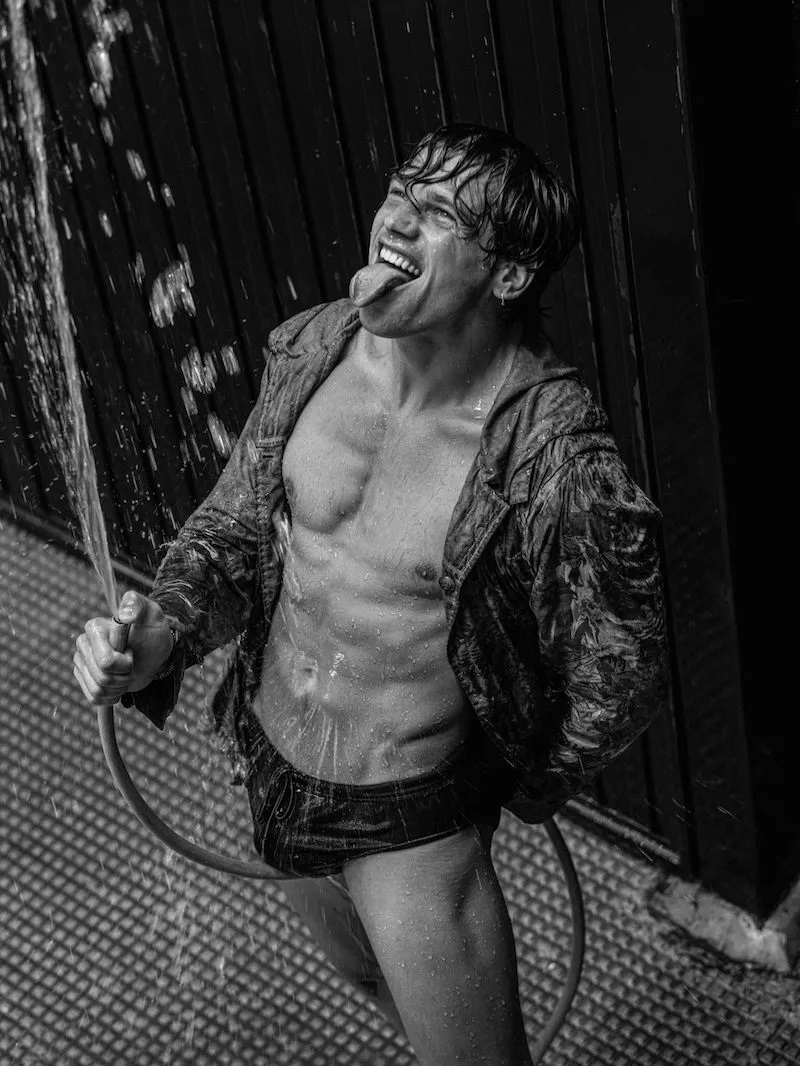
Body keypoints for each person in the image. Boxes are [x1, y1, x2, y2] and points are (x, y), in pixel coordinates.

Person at [73, 123, 667, 1066]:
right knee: (362, 976)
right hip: (270, 762)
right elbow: (236, 526)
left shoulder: (555, 457)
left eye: (439, 213)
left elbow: (624, 666)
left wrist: (518, 783)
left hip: (410, 825)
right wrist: (163, 633)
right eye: (400, 191)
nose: (396, 219)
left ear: (510, 274)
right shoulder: (316, 348)